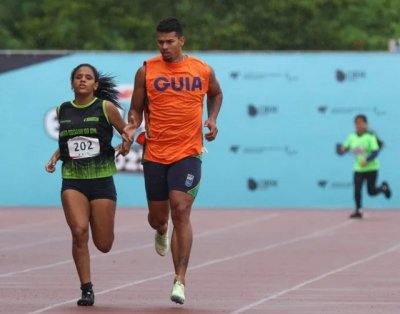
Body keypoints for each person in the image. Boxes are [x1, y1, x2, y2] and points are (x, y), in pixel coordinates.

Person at [123, 17, 223, 305]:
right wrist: (131, 127)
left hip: (188, 152)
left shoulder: (202, 69)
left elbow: (215, 93)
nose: (164, 47)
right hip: (155, 153)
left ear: (182, 41)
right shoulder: (147, 70)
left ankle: (180, 279)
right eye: (160, 42)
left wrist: (212, 118)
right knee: (158, 217)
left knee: (181, 209)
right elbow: (136, 109)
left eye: (169, 42)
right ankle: (161, 229)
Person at [45, 63, 131, 306]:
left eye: (88, 77)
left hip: (102, 179)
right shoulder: (62, 109)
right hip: (73, 180)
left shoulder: (106, 107)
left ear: (96, 84)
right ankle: (86, 288)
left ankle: (102, 238)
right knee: (79, 231)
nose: (82, 80)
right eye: (78, 77)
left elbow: (126, 132)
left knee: (103, 244)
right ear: (72, 83)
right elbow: (69, 142)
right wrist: (55, 156)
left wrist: (125, 143)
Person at [338, 114, 391, 219]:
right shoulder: (351, 137)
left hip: (372, 168)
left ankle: (384, 188)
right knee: (357, 189)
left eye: (361, 123)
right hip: (358, 168)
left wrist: (367, 160)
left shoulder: (370, 137)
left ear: (365, 124)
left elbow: (375, 152)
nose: (358, 125)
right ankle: (358, 210)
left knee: (371, 192)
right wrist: (342, 149)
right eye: (356, 123)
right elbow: (345, 148)